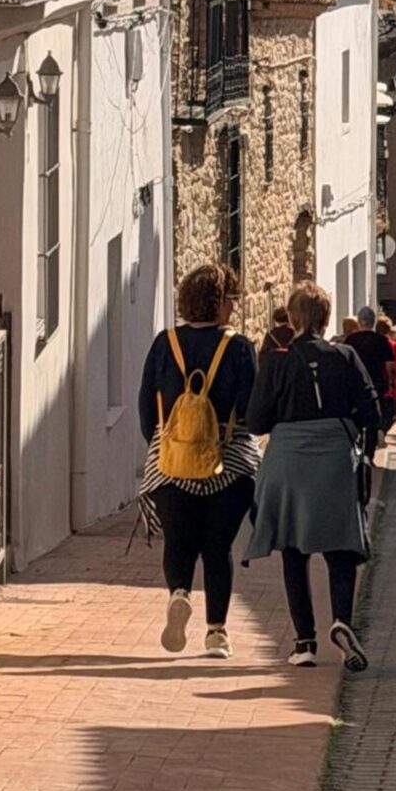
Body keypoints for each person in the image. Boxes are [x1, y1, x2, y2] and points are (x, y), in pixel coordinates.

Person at [245, 281, 381, 672]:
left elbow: (255, 421)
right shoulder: (346, 356)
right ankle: (341, 620)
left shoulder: (276, 361)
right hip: (335, 458)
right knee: (341, 549)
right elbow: (370, 413)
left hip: (287, 461)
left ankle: (304, 642)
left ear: (292, 318)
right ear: (325, 318)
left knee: (293, 549)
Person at [138, 264, 260, 660]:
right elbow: (251, 411)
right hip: (228, 466)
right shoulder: (238, 347)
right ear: (221, 302)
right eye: (232, 300)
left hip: (170, 463)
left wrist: (166, 443)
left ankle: (178, 593)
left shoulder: (164, 343)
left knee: (178, 539)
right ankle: (217, 634)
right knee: (217, 547)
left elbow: (146, 409)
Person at [346, 305, 396, 458]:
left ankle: (357, 450)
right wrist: (391, 383)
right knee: (373, 420)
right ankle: (369, 455)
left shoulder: (350, 340)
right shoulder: (381, 341)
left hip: (354, 387)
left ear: (359, 322)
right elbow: (390, 365)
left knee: (356, 419)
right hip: (376, 385)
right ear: (373, 322)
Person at [376, 316, 396, 438]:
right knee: (391, 414)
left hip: (377, 383)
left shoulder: (372, 343)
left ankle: (379, 432)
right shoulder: (394, 345)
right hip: (391, 385)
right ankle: (381, 432)